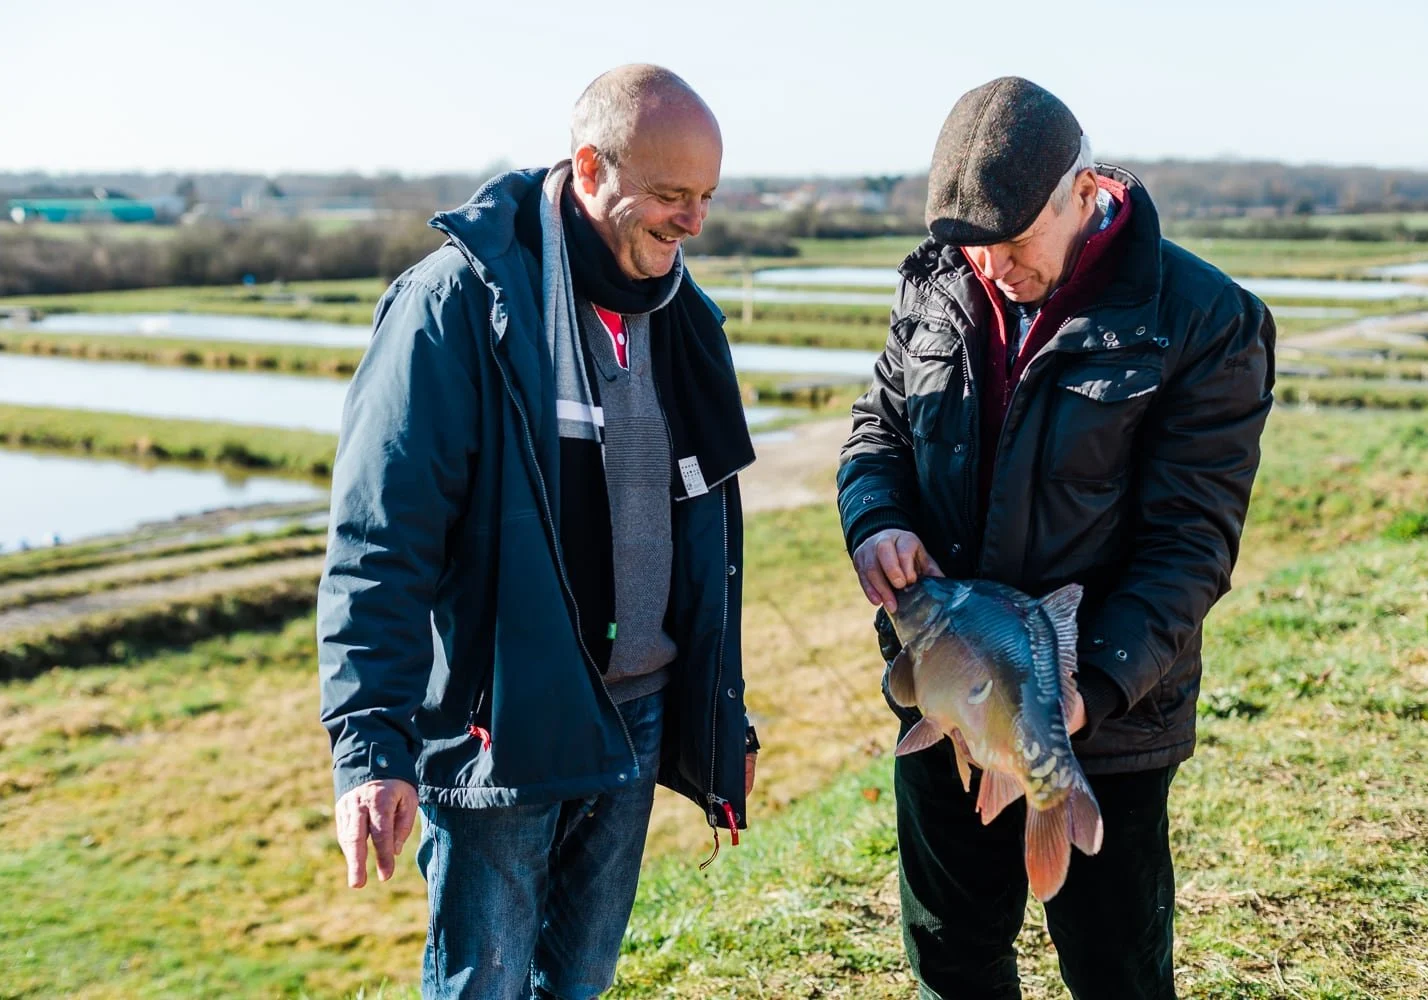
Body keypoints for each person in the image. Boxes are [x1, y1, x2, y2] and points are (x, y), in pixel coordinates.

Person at [317, 64, 759, 1000]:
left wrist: (723, 711)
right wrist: (369, 747)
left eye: (708, 198)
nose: (694, 223)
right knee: (486, 984)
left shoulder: (684, 318)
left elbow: (706, 539)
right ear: (591, 166)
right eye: (672, 195)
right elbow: (380, 541)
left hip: (635, 714)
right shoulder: (456, 307)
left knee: (583, 981)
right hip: (503, 727)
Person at [837, 76, 1275, 999]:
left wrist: (1090, 693)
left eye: (1011, 239)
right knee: (952, 955)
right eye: (970, 245)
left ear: (1084, 189)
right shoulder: (936, 283)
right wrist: (875, 519)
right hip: (948, 687)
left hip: (1109, 718)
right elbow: (876, 430)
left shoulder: (1201, 319)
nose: (990, 266)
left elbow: (1192, 543)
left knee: (1114, 969)